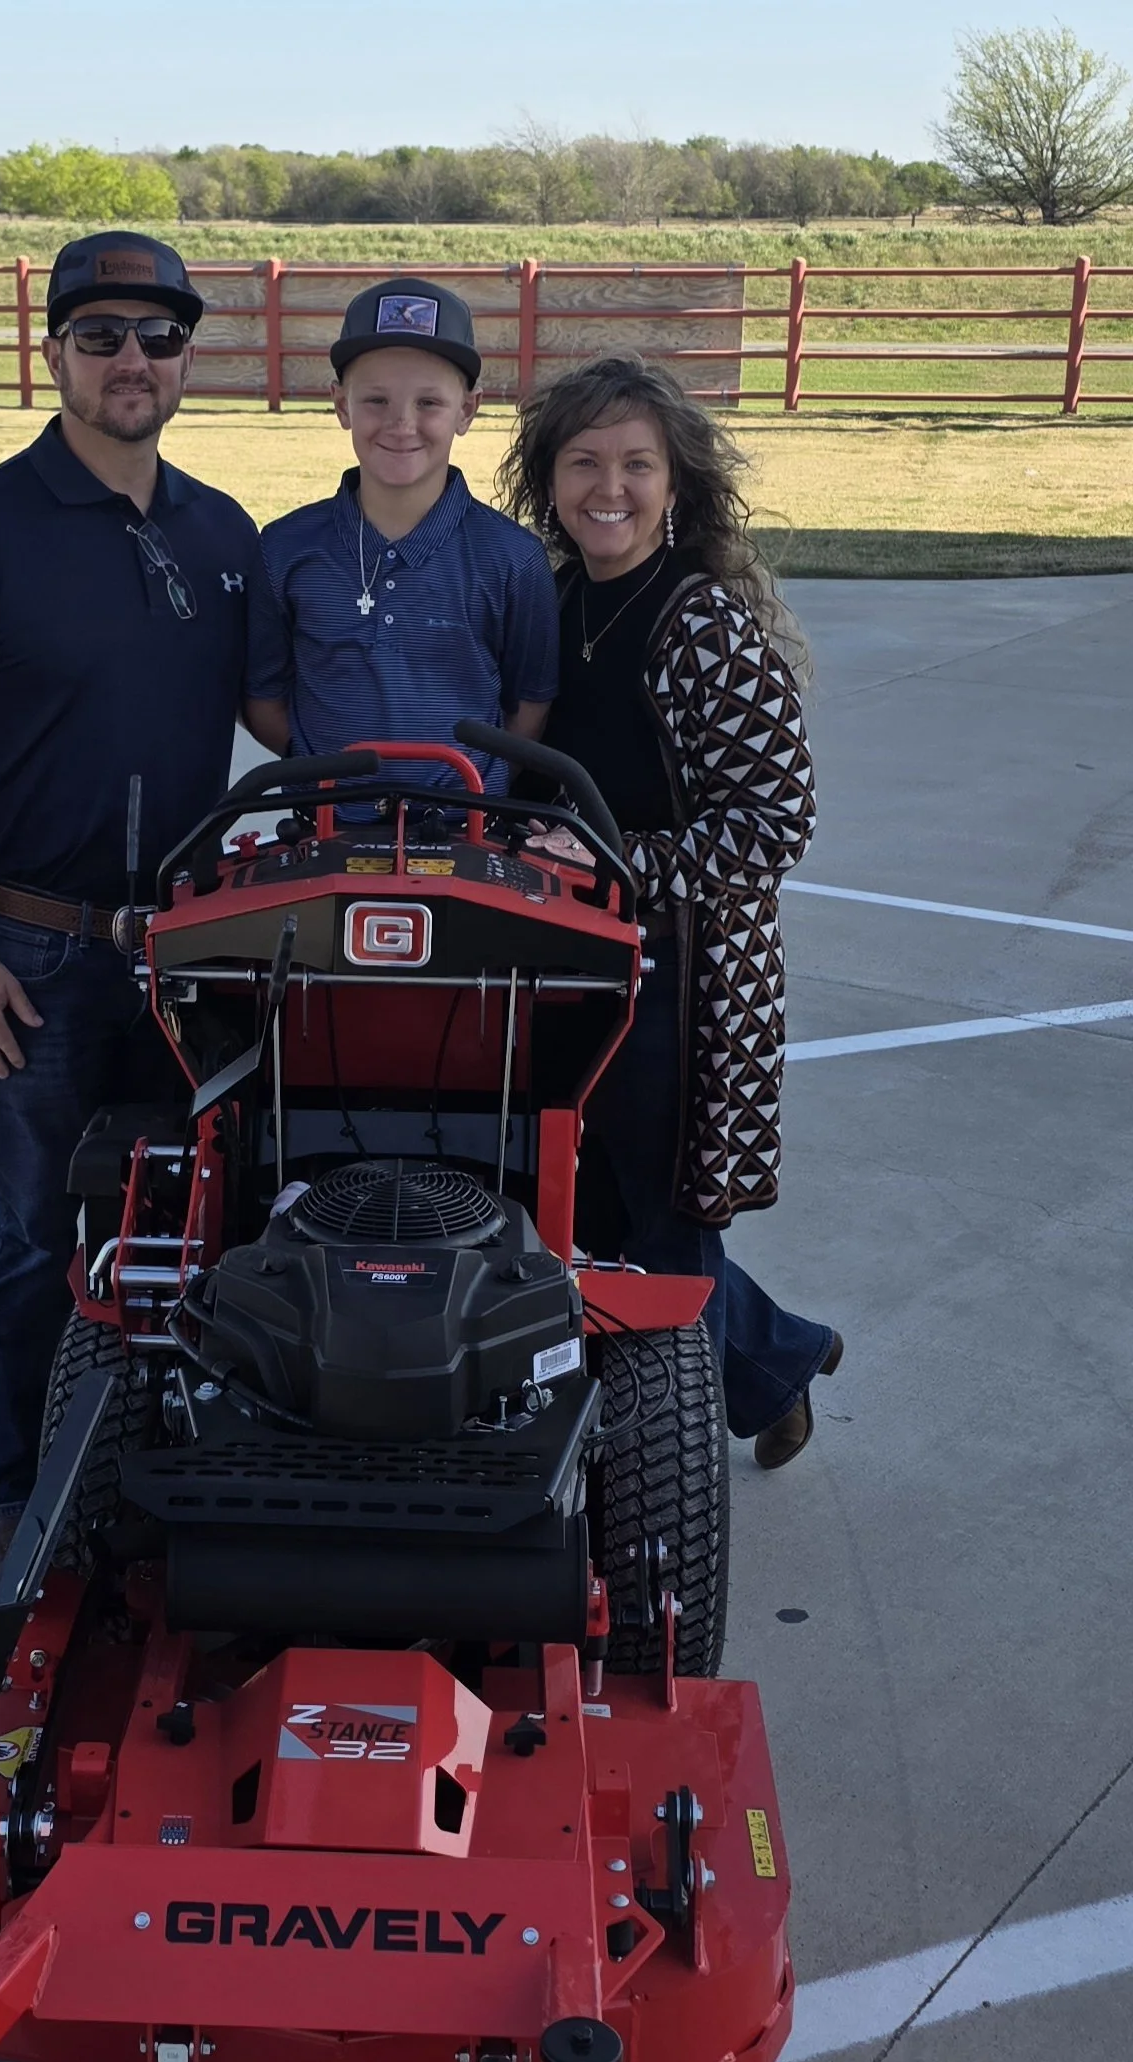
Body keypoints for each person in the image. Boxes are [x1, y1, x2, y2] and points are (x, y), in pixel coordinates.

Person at [0, 230, 291, 1593]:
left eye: (158, 337)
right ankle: (20, 1491)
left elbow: (286, 719)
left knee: (205, 1223)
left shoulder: (224, 535)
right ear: (52, 352)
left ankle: (159, 1469)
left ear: (187, 357)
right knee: (38, 1233)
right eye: (100, 334)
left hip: (189, 945)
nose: (131, 360)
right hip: (31, 950)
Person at [498, 354, 841, 1467]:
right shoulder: (551, 603)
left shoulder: (701, 627)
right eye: (584, 461)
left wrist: (615, 862)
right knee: (585, 1209)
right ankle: (774, 1355)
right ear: (548, 481)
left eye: (636, 464)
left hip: (682, 980)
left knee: (663, 1225)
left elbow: (773, 825)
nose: (611, 486)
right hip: (570, 962)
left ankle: (665, 1462)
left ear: (675, 484)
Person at [261, 279, 558, 800]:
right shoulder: (284, 548)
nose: (401, 424)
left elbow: (529, 704)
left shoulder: (513, 557)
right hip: (324, 833)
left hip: (466, 832)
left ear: (467, 410)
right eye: (376, 399)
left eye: (429, 402)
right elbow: (263, 698)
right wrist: (318, 780)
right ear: (341, 404)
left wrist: (473, 793)